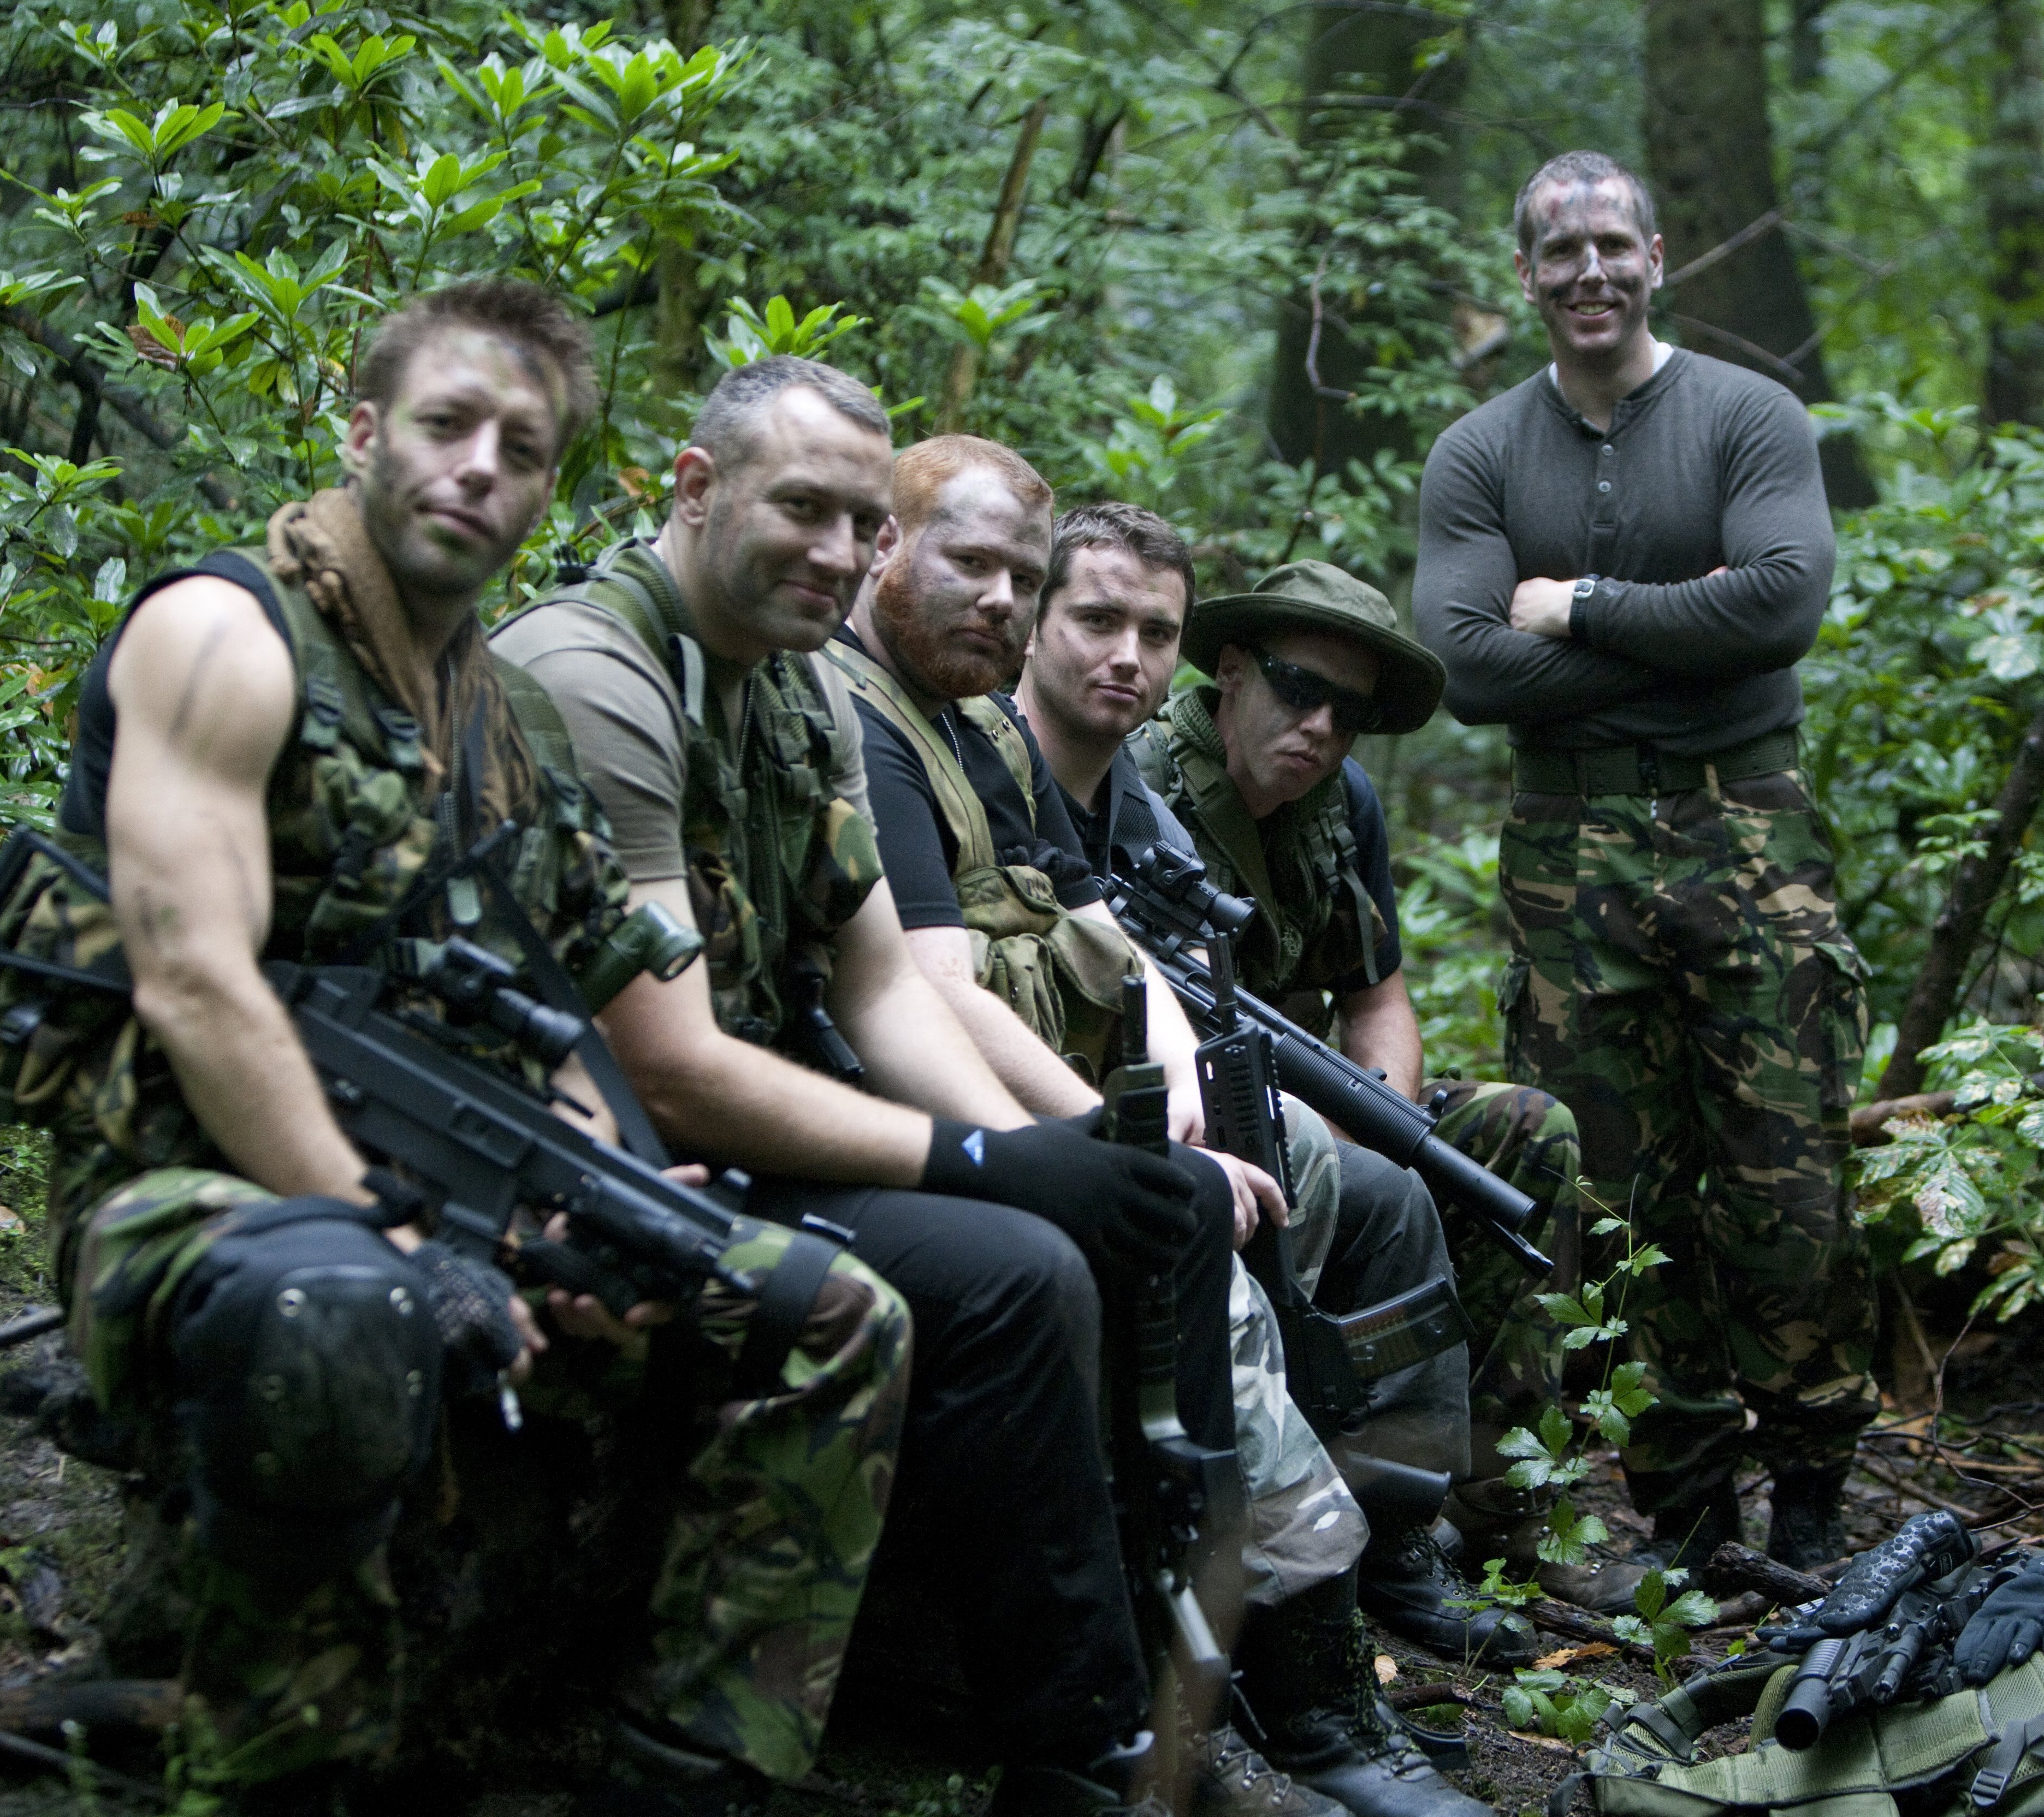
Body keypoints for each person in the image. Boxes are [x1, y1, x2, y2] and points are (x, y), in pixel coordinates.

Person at [0, 282, 911, 1815]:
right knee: (340, 1298)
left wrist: (594, 1216)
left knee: (830, 1308)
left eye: (521, 447)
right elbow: (197, 980)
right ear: (362, 435)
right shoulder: (225, 635)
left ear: (550, 489)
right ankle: (288, 1768)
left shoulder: (498, 719)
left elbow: (581, 1010)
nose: (480, 466)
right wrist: (397, 1231)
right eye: (445, 424)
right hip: (183, 1204)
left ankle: (692, 1764)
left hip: (437, 1190)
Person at [488, 365, 1235, 1817]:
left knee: (1097, 1231)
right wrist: (979, 1161)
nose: (839, 553)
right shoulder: (599, 678)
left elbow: (879, 985)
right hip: (583, 1152)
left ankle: (1124, 1709)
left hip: (724, 1127)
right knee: (1009, 1266)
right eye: (802, 512)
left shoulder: (791, 686)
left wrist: (1057, 1147)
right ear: (694, 491)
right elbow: (670, 1063)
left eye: (855, 521)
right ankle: (1073, 1744)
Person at [833, 463, 1487, 1817]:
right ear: (886, 553)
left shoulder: (976, 739)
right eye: (1006, 582)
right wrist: (1083, 1143)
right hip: (908, 1119)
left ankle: (1372, 1567)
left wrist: (1175, 1068)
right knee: (1187, 1246)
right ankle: (1301, 1689)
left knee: (1341, 1183)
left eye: (1023, 581)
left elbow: (1099, 929)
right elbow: (924, 990)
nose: (1010, 609)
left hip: (1046, 1092)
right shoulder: (870, 724)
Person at [1412, 149, 1879, 1586]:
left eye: (1613, 245)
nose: (1590, 273)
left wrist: (1583, 610)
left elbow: (1782, 605)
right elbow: (1468, 669)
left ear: (1658, 255)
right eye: (1561, 254)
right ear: (1526, 276)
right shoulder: (1482, 453)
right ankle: (1681, 1512)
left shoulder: (1749, 417)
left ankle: (1808, 1490)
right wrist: (1678, 655)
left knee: (1783, 1169)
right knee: (1612, 1189)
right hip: (1568, 850)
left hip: (1752, 829)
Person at [1017, 508, 1546, 1666]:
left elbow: (1378, 997)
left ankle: (1450, 1518)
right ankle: (1297, 1576)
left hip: (1279, 1079)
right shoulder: (1132, 770)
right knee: (1357, 1193)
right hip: (1164, 1095)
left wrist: (1395, 1126)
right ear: (1234, 674)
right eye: (1300, 691)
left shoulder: (1336, 803)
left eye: (1348, 712)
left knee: (1514, 1139)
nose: (1319, 728)